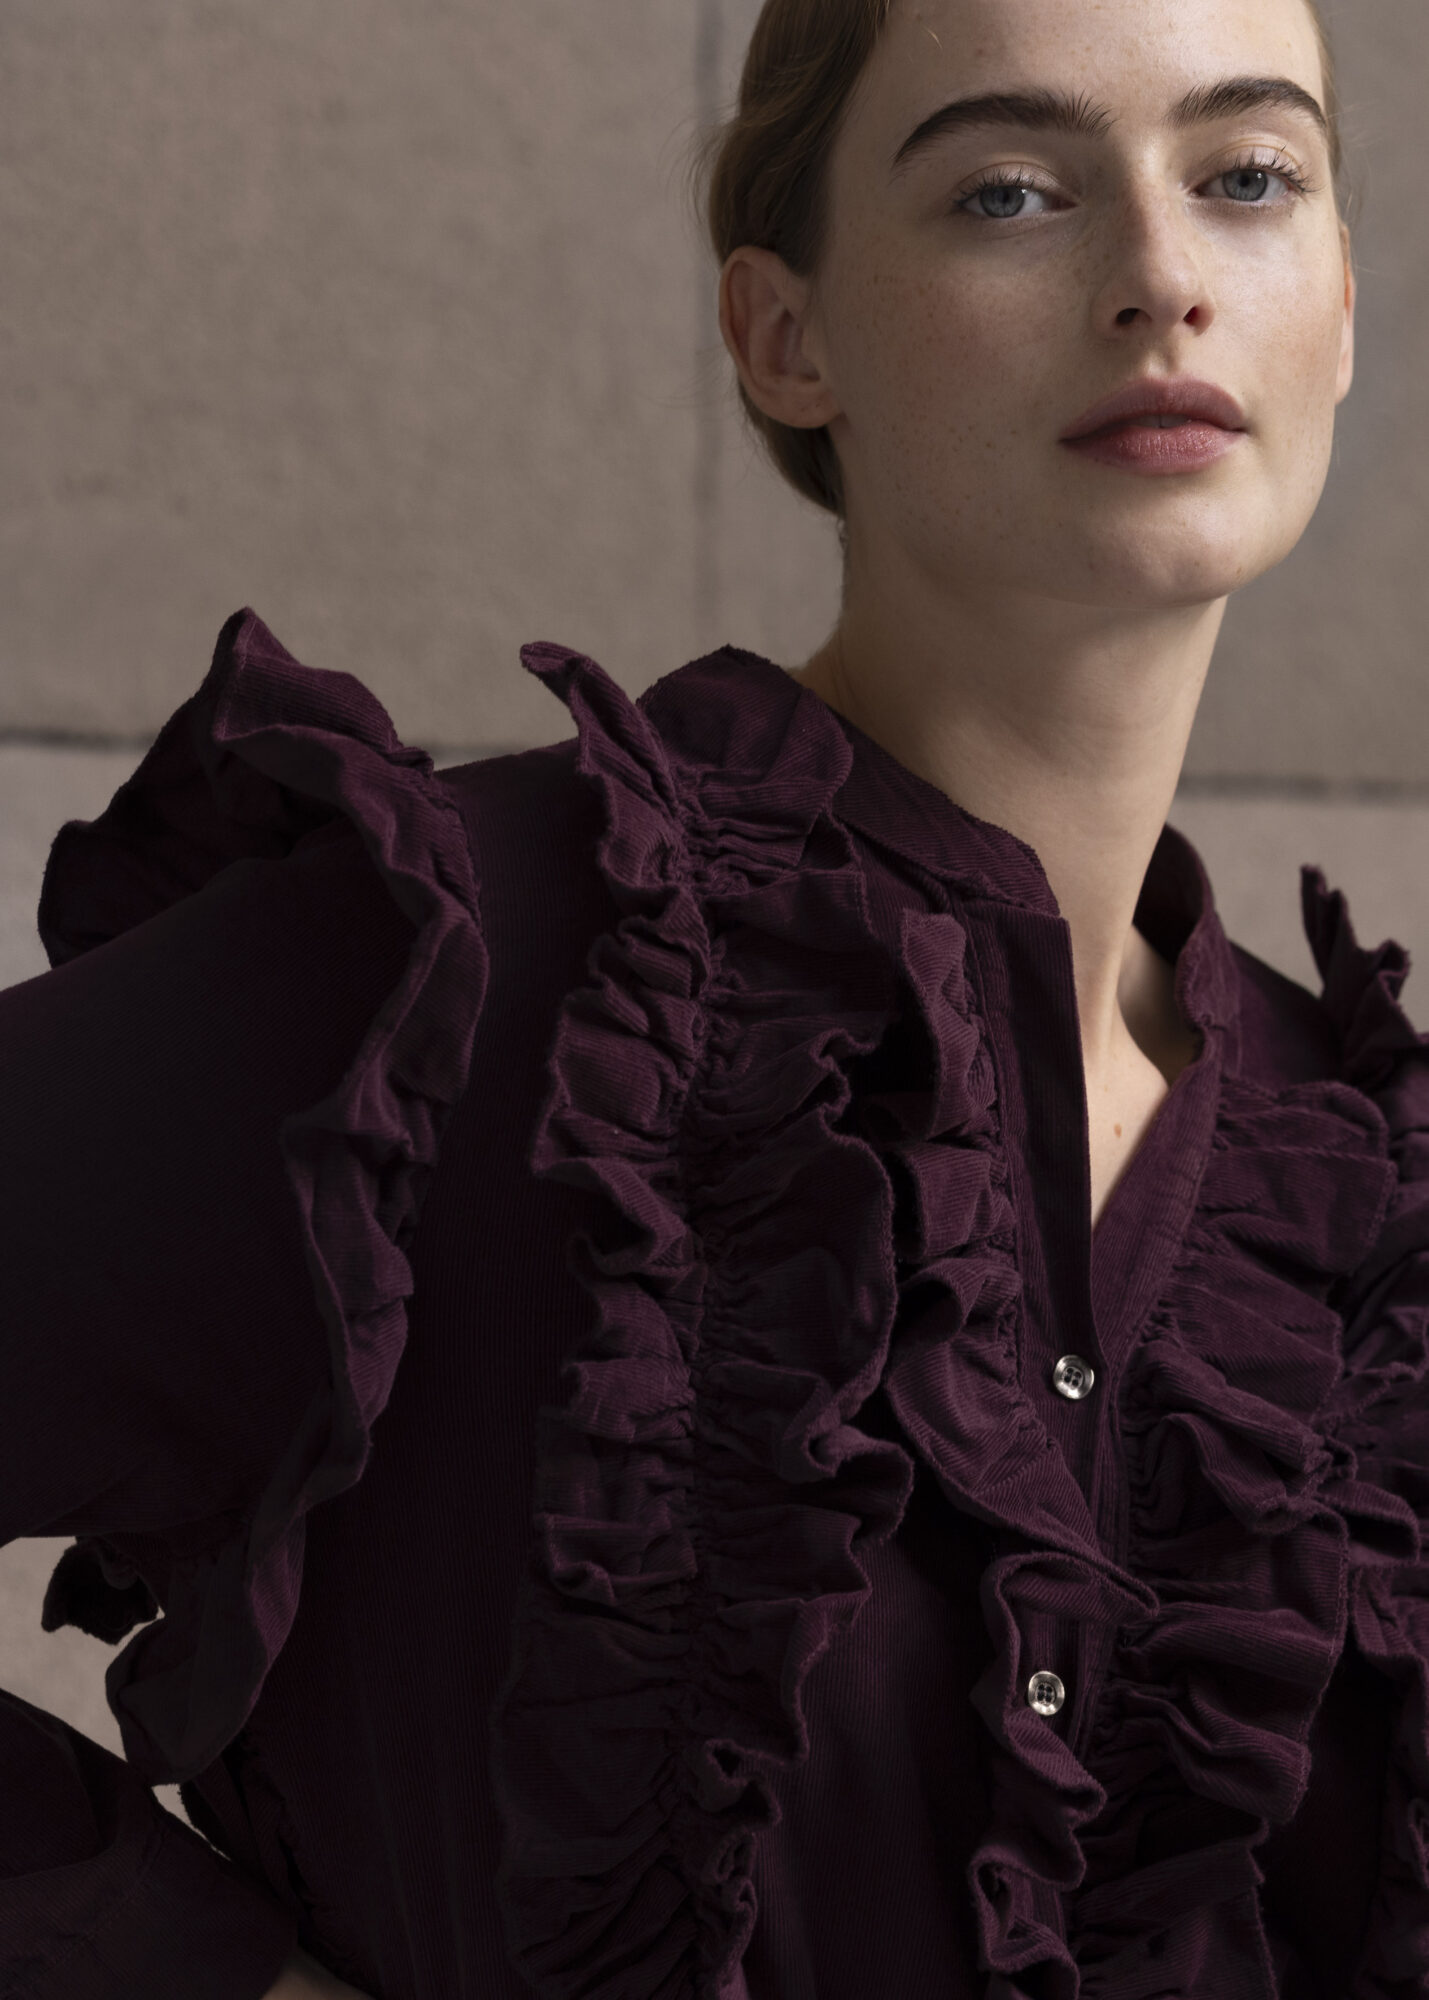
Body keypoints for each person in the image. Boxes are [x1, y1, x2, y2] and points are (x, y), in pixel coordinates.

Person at [2, 1, 1424, 1996]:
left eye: (1246, 176)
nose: (1161, 276)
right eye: (1009, 191)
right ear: (781, 334)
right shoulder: (455, 979)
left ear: (1341, 305)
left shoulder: (1369, 1199)